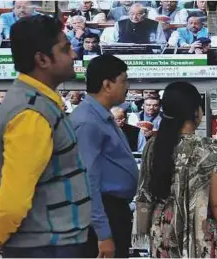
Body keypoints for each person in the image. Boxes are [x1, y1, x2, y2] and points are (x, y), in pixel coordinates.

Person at [0, 15, 91, 257]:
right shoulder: (30, 113)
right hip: (44, 247)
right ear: (42, 59)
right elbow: (14, 200)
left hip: (52, 243)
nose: (74, 55)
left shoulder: (40, 103)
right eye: (65, 49)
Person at [135, 82, 217, 258]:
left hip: (162, 230)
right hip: (200, 231)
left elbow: (144, 194)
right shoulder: (205, 147)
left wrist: (143, 233)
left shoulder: (152, 145)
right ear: (195, 111)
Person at [69, 55, 138, 258]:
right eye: (124, 80)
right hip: (104, 214)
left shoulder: (101, 117)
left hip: (114, 211)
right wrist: (103, 233)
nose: (128, 86)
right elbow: (86, 180)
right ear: (107, 85)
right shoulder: (88, 122)